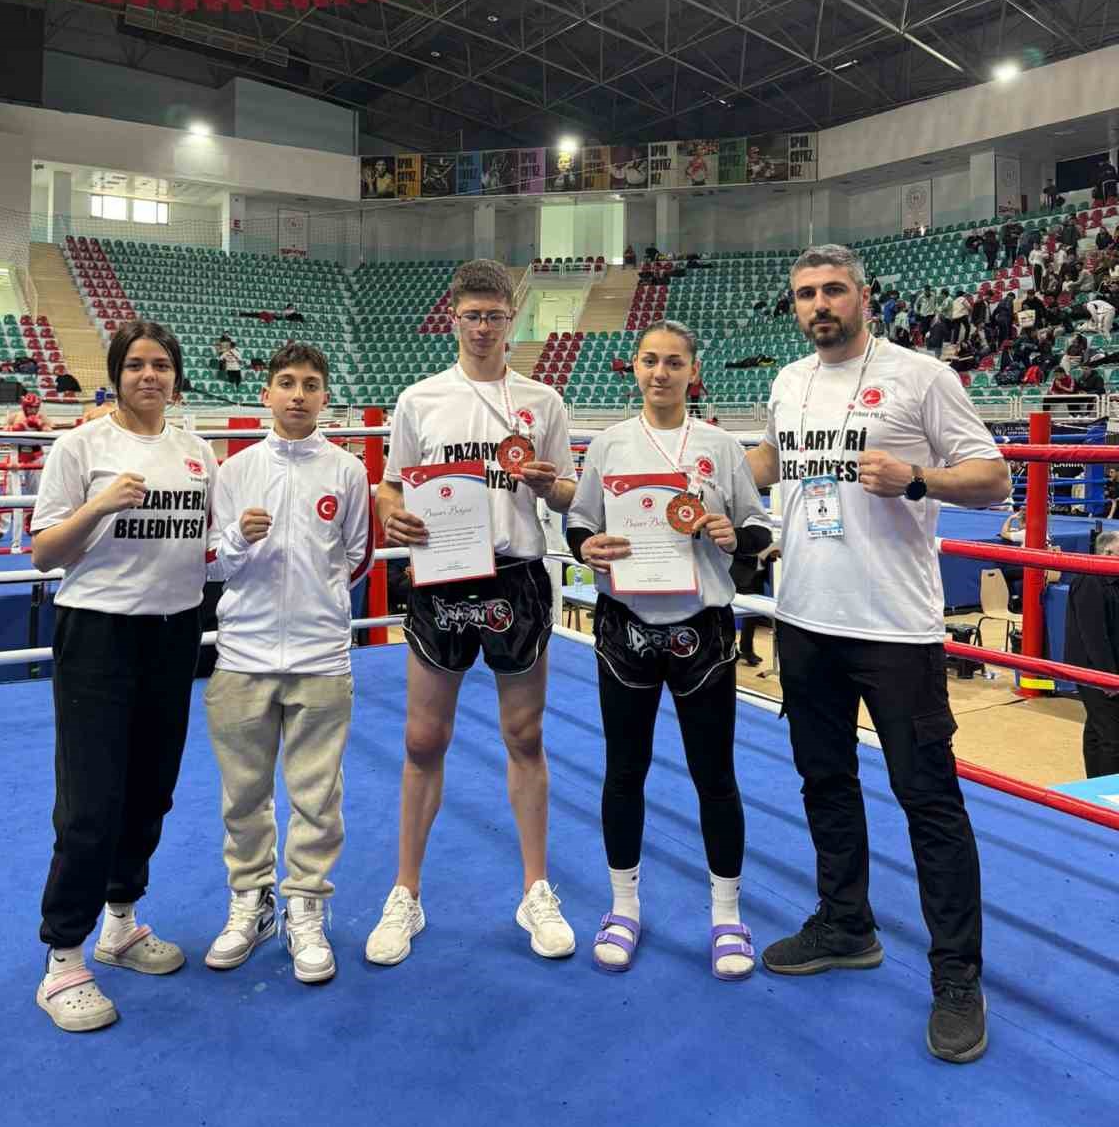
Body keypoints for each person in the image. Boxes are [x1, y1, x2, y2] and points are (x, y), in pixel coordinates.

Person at [745, 243, 1009, 1064]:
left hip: (895, 628)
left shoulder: (922, 376)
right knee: (823, 780)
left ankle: (958, 979)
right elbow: (770, 464)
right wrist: (680, 459)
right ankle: (846, 922)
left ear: (864, 296)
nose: (818, 304)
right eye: (804, 294)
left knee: (928, 799)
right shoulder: (789, 382)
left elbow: (994, 477)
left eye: (832, 291)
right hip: (806, 619)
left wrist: (920, 479)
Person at [365, 259, 578, 967]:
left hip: (516, 575)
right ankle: (406, 893)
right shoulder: (419, 399)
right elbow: (391, 490)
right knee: (424, 740)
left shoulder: (543, 402)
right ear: (451, 318)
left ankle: (536, 889)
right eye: (472, 315)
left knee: (525, 735)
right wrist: (393, 517)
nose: (483, 327)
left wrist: (553, 485)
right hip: (441, 579)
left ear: (512, 319)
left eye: (495, 315)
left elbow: (564, 495)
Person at [566, 321, 773, 976]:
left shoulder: (719, 446)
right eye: (650, 360)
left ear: (693, 371)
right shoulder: (608, 444)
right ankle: (622, 906)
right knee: (625, 771)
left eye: (674, 361)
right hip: (625, 625)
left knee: (715, 777)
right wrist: (583, 549)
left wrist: (733, 533)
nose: (661, 372)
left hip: (701, 630)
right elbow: (579, 521)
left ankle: (726, 914)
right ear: (634, 367)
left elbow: (759, 524)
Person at [29, 320, 218, 1033]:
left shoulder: (196, 451)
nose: (150, 376)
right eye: (136, 364)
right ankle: (63, 960)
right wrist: (98, 506)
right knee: (90, 800)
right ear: (116, 374)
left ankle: (120, 921)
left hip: (175, 634)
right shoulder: (81, 446)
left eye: (161, 365)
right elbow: (45, 553)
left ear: (176, 377)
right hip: (99, 635)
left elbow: (213, 550)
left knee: (150, 791)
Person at [203, 343, 372, 983]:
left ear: (325, 397)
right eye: (285, 383)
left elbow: (353, 557)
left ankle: (306, 902)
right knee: (243, 795)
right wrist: (238, 541)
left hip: (320, 654)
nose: (298, 394)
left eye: (310, 384)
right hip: (242, 650)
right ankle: (250, 899)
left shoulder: (347, 472)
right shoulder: (234, 469)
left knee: (317, 794)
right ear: (265, 394)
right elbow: (215, 561)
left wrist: (321, 610)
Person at [0, 391, 54, 541]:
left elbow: (50, 432)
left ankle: (31, 525)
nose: (33, 410)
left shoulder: (42, 417)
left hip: (35, 457)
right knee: (9, 493)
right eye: (31, 407)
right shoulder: (14, 416)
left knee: (37, 493)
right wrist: (17, 428)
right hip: (16, 457)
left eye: (36, 407)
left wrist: (40, 426)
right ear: (24, 406)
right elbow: (2, 433)